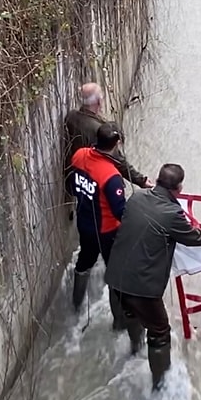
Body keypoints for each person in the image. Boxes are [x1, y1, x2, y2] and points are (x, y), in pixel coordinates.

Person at [105, 163, 201, 391]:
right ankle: (159, 385)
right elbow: (193, 238)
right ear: (179, 189)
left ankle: (134, 349)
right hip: (142, 288)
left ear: (157, 179)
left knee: (129, 313)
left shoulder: (136, 198)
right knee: (160, 331)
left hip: (115, 276)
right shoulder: (172, 214)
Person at [70, 124, 128, 325]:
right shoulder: (111, 176)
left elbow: (72, 185)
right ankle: (119, 323)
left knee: (84, 262)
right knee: (116, 274)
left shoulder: (79, 155)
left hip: (84, 223)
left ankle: (76, 307)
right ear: (116, 144)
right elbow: (121, 212)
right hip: (107, 232)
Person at [64, 82, 152, 198]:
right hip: (95, 181)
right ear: (99, 102)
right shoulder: (98, 130)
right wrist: (141, 180)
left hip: (76, 177)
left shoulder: (71, 117)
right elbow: (118, 159)